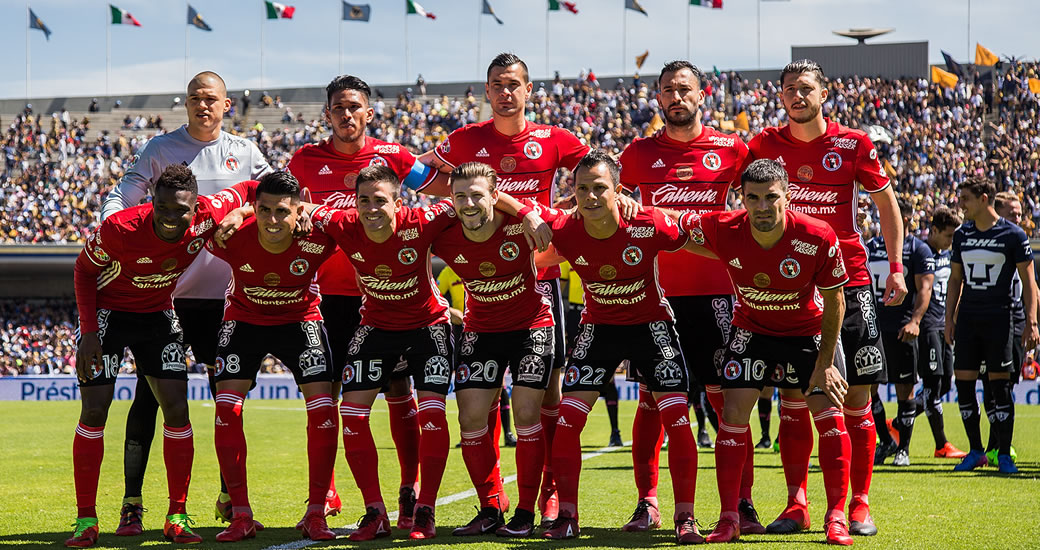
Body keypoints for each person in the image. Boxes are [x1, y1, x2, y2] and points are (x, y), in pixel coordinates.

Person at [303, 165, 549, 540]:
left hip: (427, 326)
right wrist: (256, 211)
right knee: (351, 412)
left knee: (434, 414)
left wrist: (529, 212)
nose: (371, 209)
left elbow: (481, 197)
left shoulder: (426, 219)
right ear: (354, 205)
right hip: (376, 327)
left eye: (380, 201)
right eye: (363, 201)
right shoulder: (341, 222)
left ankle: (426, 510)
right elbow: (290, 205)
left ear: (398, 203)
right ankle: (375, 512)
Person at [419, 52, 590, 527]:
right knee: (480, 403)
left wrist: (557, 212)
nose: (505, 91)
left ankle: (550, 496)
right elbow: (416, 174)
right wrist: (469, 202)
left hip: (542, 283)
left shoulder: (555, 140)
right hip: (484, 288)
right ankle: (491, 503)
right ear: (487, 91)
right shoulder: (464, 141)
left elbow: (600, 175)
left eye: (513, 83)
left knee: (547, 398)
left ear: (529, 90)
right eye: (496, 84)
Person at [100, 71, 272, 531]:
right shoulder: (160, 150)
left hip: (225, 300)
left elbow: (276, 194)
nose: (203, 105)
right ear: (187, 104)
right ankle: (133, 503)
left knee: (228, 401)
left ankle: (228, 497)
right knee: (148, 399)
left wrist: (244, 212)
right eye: (196, 98)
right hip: (168, 298)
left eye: (211, 99)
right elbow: (124, 192)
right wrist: (109, 225)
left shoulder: (246, 152)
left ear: (226, 105)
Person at [745, 59, 906, 537]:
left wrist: (895, 267)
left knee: (857, 394)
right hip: (790, 286)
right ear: (780, 97)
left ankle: (859, 504)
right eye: (789, 88)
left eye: (806, 88)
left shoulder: (853, 144)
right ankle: (797, 504)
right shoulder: (763, 145)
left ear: (824, 93)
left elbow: (887, 207)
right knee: (794, 394)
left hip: (850, 283)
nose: (797, 95)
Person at [67, 165, 257, 547]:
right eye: (163, 208)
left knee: (176, 408)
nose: (172, 218)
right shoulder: (119, 229)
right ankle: (85, 518)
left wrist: (240, 213)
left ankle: (177, 514)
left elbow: (255, 188)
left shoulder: (208, 212)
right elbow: (84, 272)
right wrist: (88, 333)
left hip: (158, 316)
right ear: (152, 201)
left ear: (195, 206)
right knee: (94, 409)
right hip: (109, 316)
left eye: (181, 210)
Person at [287, 74, 443, 528]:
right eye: (339, 107)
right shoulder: (305, 161)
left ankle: (408, 490)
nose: (347, 114)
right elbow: (288, 207)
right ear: (328, 113)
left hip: (390, 299)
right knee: (329, 397)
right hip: (329, 300)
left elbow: (438, 187)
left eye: (355, 107)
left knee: (399, 392)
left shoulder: (393, 157)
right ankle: (327, 492)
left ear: (369, 113)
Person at [675, 158, 853, 545]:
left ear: (786, 196)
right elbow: (671, 224)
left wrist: (824, 365)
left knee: (828, 414)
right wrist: (633, 207)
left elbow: (836, 300)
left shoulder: (817, 235)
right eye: (752, 198)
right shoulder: (725, 227)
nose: (761, 207)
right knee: (733, 415)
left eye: (770, 197)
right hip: (752, 330)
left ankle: (836, 516)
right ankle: (729, 517)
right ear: (741, 199)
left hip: (807, 334)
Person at [617, 60, 758, 534]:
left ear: (703, 95)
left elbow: (764, 205)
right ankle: (648, 502)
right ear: (658, 98)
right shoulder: (637, 153)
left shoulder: (732, 149)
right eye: (667, 91)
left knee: (727, 404)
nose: (676, 97)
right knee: (652, 402)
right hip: (655, 295)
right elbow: (612, 210)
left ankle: (742, 502)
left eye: (684, 89)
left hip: (718, 292)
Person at [536, 150, 701, 543]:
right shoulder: (565, 229)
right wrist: (546, 212)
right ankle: (568, 515)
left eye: (599, 188)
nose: (590, 197)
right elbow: (525, 237)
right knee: (567, 422)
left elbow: (693, 237)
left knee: (677, 419)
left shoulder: (647, 222)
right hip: (599, 330)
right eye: (582, 190)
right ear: (571, 192)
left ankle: (685, 516)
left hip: (652, 328)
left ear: (618, 191)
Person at [205, 172, 338, 542]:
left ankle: (317, 510)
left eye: (282, 211)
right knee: (226, 409)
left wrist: (314, 210)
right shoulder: (230, 236)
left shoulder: (318, 235)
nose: (273, 220)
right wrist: (238, 211)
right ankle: (241, 514)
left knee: (324, 409)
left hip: (301, 320)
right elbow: (201, 217)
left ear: (299, 210)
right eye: (264, 210)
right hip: (244, 320)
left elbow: (348, 216)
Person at [432, 162, 557, 537]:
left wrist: (529, 211)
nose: (468, 203)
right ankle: (490, 506)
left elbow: (580, 219)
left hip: (532, 326)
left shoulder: (523, 224)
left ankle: (524, 514)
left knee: (524, 413)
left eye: (477, 195)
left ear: (494, 194)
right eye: (460, 196)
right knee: (470, 419)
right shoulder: (444, 232)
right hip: (482, 329)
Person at [946, 177, 1038, 474]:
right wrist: (949, 319)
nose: (961, 204)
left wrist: (1032, 322)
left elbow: (1029, 283)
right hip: (969, 318)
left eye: (966, 199)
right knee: (964, 384)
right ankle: (975, 451)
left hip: (1000, 318)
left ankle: (1003, 453)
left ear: (983, 199)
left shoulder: (1013, 235)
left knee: (999, 387)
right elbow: (955, 280)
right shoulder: (962, 235)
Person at [866, 200, 934, 466]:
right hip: (873, 328)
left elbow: (924, 290)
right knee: (868, 390)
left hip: (902, 329)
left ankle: (903, 449)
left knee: (905, 390)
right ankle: (885, 441)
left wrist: (915, 320)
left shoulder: (918, 249)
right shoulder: (869, 248)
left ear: (905, 220)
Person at [913, 207, 967, 458]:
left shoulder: (950, 254)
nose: (951, 241)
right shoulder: (921, 253)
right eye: (948, 236)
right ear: (933, 230)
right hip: (928, 327)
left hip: (944, 325)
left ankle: (900, 421)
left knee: (945, 383)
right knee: (933, 385)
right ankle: (941, 444)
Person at [986, 191, 1030, 464]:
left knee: (1005, 386)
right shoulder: (984, 240)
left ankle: (1001, 446)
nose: (1018, 218)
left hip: (1013, 323)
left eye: (1019, 213)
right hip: (983, 321)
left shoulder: (1018, 241)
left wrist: (1031, 323)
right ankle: (992, 445)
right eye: (1012, 213)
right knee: (986, 387)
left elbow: (1030, 288)